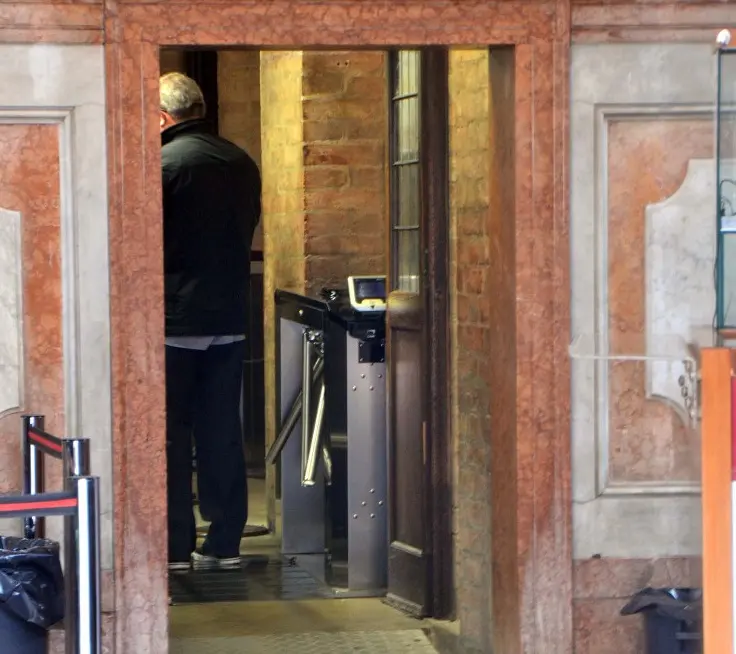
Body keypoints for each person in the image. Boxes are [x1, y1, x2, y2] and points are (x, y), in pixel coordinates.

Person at [159, 72, 261, 571]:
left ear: (162, 116)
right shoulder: (240, 161)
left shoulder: (162, 163)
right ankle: (224, 542)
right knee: (221, 431)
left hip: (175, 319)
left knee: (171, 432)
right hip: (230, 315)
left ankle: (175, 545)